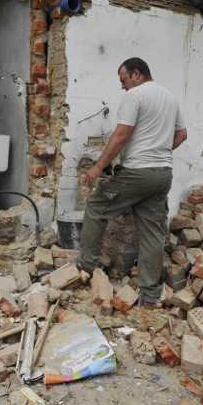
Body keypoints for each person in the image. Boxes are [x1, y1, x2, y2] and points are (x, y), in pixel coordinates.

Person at [75, 57, 187, 307]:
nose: (123, 86)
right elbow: (182, 135)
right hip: (162, 174)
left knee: (95, 207)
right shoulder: (170, 97)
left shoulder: (135, 96)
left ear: (136, 74)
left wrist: (98, 167)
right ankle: (149, 293)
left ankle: (86, 266)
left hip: (137, 172)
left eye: (123, 80)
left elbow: (121, 135)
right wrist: (159, 151)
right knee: (151, 233)